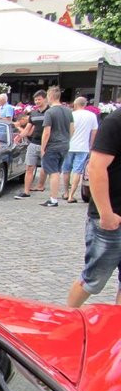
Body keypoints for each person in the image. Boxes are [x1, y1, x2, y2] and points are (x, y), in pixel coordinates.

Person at [66, 107, 121, 307]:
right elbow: (96, 167)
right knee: (92, 280)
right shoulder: (116, 121)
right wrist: (107, 214)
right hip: (111, 217)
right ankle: (66, 323)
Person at [40, 86, 74, 208]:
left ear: (49, 97)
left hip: (53, 145)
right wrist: (67, 140)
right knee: (58, 171)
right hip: (65, 144)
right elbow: (72, 128)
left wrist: (43, 148)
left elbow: (47, 131)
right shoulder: (68, 111)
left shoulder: (50, 112)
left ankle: (53, 199)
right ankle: (54, 197)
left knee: (53, 172)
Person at [15, 90, 49, 198]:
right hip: (34, 143)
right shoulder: (33, 114)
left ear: (45, 99)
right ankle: (26, 191)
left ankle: (41, 186)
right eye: (35, 99)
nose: (37, 101)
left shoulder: (50, 112)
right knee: (29, 167)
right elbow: (28, 129)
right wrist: (20, 136)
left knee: (46, 167)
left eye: (39, 99)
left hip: (47, 144)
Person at [64, 97, 98, 204]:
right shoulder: (91, 116)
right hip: (83, 146)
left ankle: (65, 192)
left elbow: (67, 130)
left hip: (69, 145)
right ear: (85, 104)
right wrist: (91, 145)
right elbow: (94, 132)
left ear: (75, 104)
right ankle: (71, 195)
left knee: (66, 169)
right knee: (77, 171)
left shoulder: (71, 115)